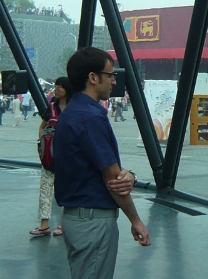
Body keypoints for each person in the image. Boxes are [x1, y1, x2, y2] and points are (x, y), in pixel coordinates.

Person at [54, 47, 150, 278]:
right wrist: (136, 220)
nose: (114, 81)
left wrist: (128, 175)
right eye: (110, 75)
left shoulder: (71, 113)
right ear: (93, 78)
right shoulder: (90, 118)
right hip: (93, 222)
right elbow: (113, 178)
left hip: (75, 218)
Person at [30, 77, 73, 237]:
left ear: (67, 89)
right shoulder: (52, 107)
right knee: (45, 189)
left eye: (60, 87)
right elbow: (42, 126)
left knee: (66, 190)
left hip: (68, 158)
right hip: (50, 156)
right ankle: (44, 224)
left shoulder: (73, 108)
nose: (56, 89)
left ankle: (63, 223)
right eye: (56, 86)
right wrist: (41, 144)